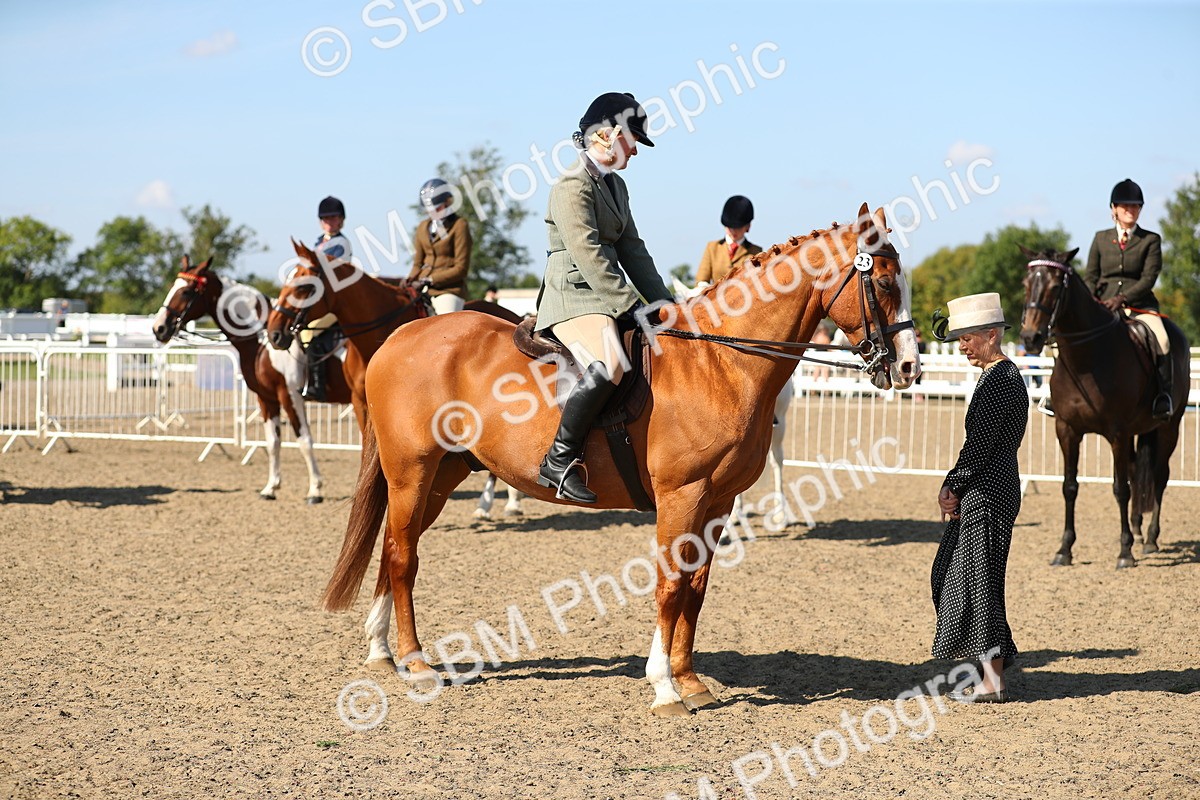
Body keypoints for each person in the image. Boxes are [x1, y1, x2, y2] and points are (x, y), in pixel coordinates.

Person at [534, 91, 672, 503]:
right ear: (607, 136)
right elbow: (588, 254)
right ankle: (558, 460)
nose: (636, 150)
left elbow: (633, 250)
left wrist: (666, 304)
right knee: (611, 361)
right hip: (573, 296)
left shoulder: (617, 186)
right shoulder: (570, 186)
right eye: (632, 139)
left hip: (604, 294)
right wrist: (630, 306)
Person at [930, 292, 1028, 703]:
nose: (962, 345)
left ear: (991, 334)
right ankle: (993, 667)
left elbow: (980, 446)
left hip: (988, 490)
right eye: (959, 339)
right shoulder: (1000, 377)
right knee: (960, 577)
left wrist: (952, 483)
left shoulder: (999, 380)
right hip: (990, 486)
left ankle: (993, 679)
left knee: (979, 582)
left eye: (967, 337)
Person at [1084, 178, 1173, 420]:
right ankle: (1057, 393)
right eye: (1125, 206)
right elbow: (1091, 275)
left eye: (1135, 206)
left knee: (1163, 340)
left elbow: (1148, 278)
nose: (1130, 210)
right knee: (1072, 334)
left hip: (1139, 306)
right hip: (1103, 306)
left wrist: (1122, 298)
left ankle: (1163, 396)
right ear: (1113, 209)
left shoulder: (1150, 240)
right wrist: (1093, 300)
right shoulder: (1100, 238)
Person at [301, 196, 352, 401]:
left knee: (309, 334)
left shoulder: (342, 245)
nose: (329, 222)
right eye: (325, 219)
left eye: (333, 218)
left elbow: (333, 275)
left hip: (335, 302)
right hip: (319, 299)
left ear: (341, 220)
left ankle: (317, 385)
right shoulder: (318, 243)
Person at [409, 178, 472, 315]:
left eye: (437, 208)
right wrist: (410, 280)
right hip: (422, 289)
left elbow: (461, 268)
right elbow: (417, 263)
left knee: (444, 326)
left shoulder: (459, 226)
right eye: (430, 210)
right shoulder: (422, 228)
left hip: (448, 291)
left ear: (447, 202)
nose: (433, 213)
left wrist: (431, 280)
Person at [694, 195, 762, 289]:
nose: (734, 231)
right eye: (730, 227)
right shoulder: (712, 248)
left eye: (738, 227)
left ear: (748, 226)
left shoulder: (756, 252)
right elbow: (701, 280)